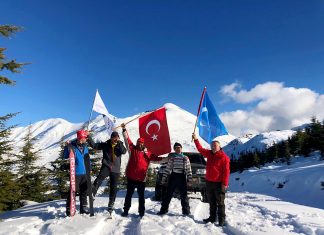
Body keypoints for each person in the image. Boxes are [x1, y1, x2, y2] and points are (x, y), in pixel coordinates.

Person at [121, 123, 163, 217]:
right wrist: (124, 130)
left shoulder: (148, 153)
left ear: (144, 144)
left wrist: (167, 159)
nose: (140, 144)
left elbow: (157, 159)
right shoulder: (132, 149)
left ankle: (141, 212)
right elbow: (127, 140)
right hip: (131, 177)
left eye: (141, 143)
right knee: (129, 195)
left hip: (141, 179)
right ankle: (126, 210)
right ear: (137, 143)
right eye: (138, 143)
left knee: (141, 197)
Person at [192, 133, 230, 227]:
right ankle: (212, 218)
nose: (213, 147)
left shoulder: (224, 158)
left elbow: (226, 172)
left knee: (220, 203)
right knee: (211, 202)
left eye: (215, 145)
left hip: (219, 183)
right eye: (212, 145)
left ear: (219, 146)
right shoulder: (209, 153)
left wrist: (224, 184)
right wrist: (196, 139)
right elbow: (200, 149)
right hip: (209, 182)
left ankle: (221, 220)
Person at [87, 130, 127, 213]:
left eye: (117, 137)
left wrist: (119, 143)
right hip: (106, 166)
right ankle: (92, 195)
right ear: (111, 138)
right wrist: (88, 137)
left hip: (115, 170)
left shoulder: (120, 145)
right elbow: (95, 146)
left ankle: (111, 204)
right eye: (114, 137)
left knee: (113, 187)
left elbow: (124, 151)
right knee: (98, 180)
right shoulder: (106, 144)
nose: (115, 139)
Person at [158, 142, 192, 216]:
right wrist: (164, 179)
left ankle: (186, 211)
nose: (178, 149)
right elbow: (168, 169)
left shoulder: (185, 158)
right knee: (168, 194)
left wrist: (189, 180)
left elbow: (189, 170)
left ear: (181, 148)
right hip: (173, 176)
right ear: (174, 149)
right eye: (176, 148)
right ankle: (163, 210)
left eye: (179, 147)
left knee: (184, 195)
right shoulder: (172, 158)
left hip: (182, 177)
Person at [64, 129, 90, 216]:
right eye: (84, 138)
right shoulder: (72, 147)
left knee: (84, 191)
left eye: (85, 138)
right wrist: (66, 147)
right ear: (80, 138)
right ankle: (69, 208)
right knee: (73, 191)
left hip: (85, 173)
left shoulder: (85, 147)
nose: (85, 139)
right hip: (76, 173)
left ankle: (84, 207)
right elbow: (65, 156)